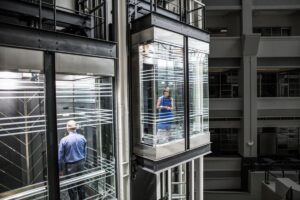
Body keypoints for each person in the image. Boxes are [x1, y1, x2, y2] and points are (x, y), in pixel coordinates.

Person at [58, 120, 87, 200]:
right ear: (75, 128)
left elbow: (60, 157)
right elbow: (85, 153)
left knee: (72, 187)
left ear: (67, 128)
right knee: (81, 185)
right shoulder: (82, 138)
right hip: (81, 163)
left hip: (70, 166)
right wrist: (84, 162)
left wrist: (60, 169)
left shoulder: (64, 140)